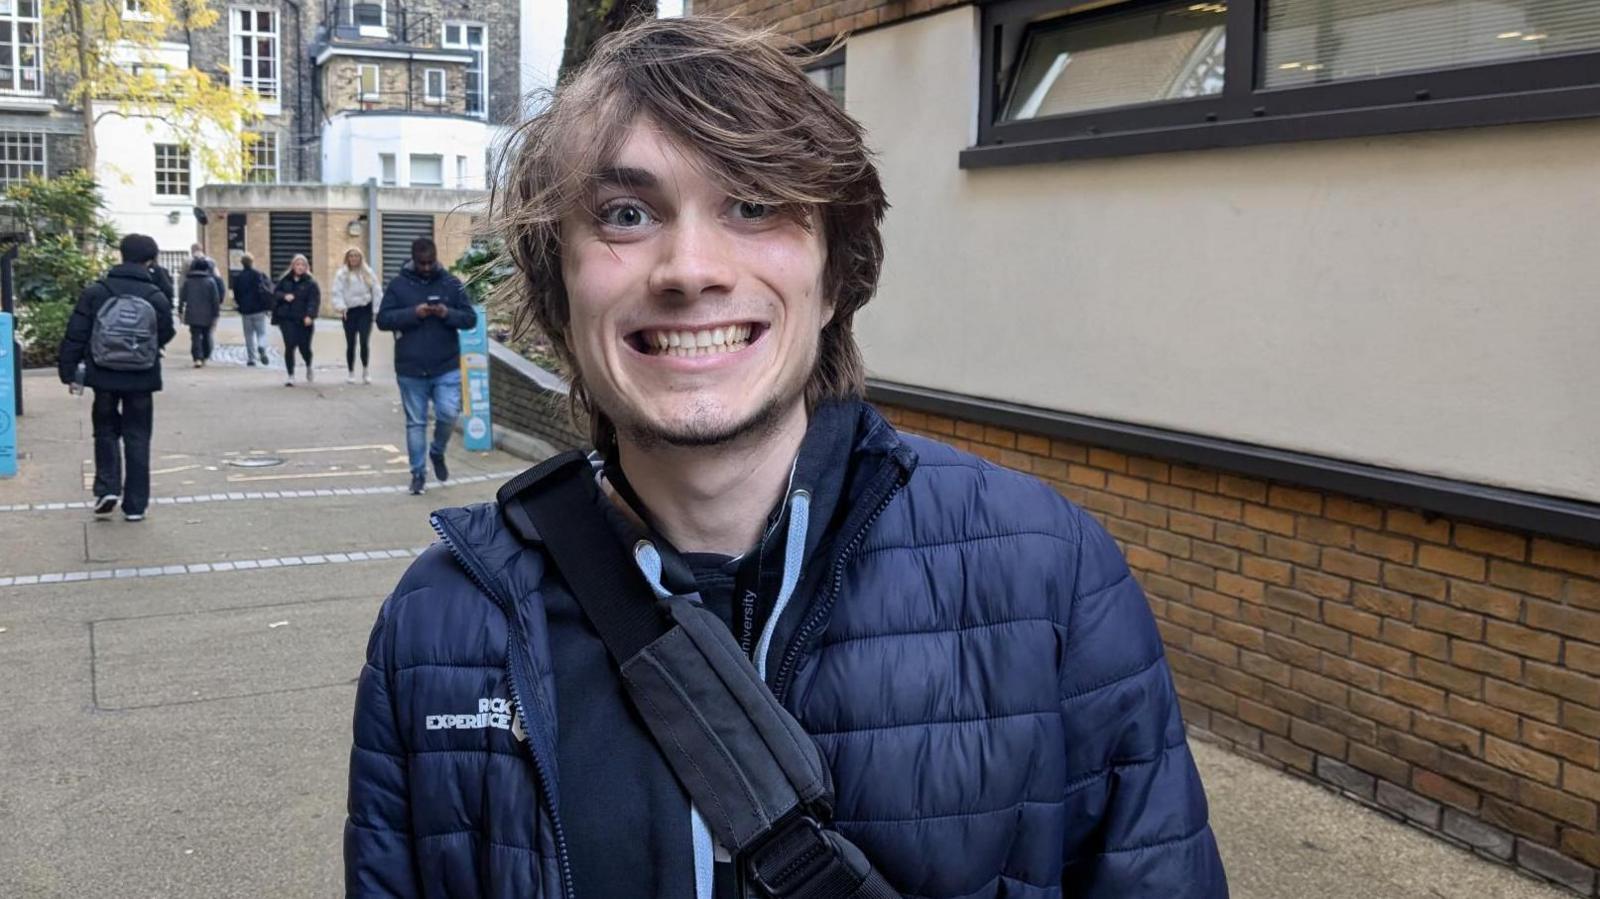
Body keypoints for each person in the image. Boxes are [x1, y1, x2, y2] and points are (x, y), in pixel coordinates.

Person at [345, 17, 1227, 899]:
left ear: (834, 272)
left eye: (754, 202)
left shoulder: (1050, 582)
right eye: (624, 214)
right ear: (560, 286)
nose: (690, 268)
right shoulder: (440, 631)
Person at [56, 233, 176, 522]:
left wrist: (69, 371)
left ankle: (107, 488)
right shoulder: (154, 295)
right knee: (138, 436)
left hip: (104, 373)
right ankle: (135, 505)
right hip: (141, 375)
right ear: (150, 260)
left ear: (121, 255)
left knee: (106, 431)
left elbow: (77, 332)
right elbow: (167, 332)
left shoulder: (97, 291)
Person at [375, 237, 475, 495]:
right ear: (413, 260)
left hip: (446, 365)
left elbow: (469, 318)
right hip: (411, 367)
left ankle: (437, 451)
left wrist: (446, 313)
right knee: (416, 423)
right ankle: (418, 473)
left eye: (431, 262)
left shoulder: (451, 284)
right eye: (422, 263)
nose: (428, 267)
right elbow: (383, 320)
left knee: (448, 413)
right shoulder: (398, 285)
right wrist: (413, 313)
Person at [331, 247, 379, 384]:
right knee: (351, 342)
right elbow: (337, 292)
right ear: (347, 258)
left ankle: (365, 370)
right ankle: (351, 371)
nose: (354, 258)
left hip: (365, 309)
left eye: (356, 256)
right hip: (349, 311)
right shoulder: (342, 274)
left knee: (364, 341)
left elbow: (376, 290)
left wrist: (376, 309)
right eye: (351, 256)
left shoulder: (367, 272)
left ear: (360, 258)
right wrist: (340, 307)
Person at [273, 254, 320, 386]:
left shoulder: (311, 283)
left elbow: (314, 301)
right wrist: (284, 296)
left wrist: (310, 315)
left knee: (304, 347)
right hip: (287, 318)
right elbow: (275, 293)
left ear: (306, 267)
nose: (300, 267)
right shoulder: (285, 280)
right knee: (290, 345)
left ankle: (309, 365)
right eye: (297, 264)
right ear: (293, 266)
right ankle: (290, 375)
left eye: (302, 265)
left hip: (304, 319)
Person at [179, 258, 223, 367]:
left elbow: (182, 297)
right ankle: (205, 355)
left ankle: (197, 357)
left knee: (195, 336)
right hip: (207, 314)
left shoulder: (188, 281)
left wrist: (180, 310)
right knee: (206, 335)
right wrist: (216, 313)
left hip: (192, 312)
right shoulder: (210, 281)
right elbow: (215, 299)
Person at [232, 253, 273, 366]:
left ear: (242, 263)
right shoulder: (259, 275)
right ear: (252, 262)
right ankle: (261, 346)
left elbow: (236, 295)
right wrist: (268, 306)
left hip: (246, 311)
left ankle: (251, 359)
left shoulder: (238, 278)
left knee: (248, 335)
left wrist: (240, 305)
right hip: (259, 309)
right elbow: (266, 291)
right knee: (262, 332)